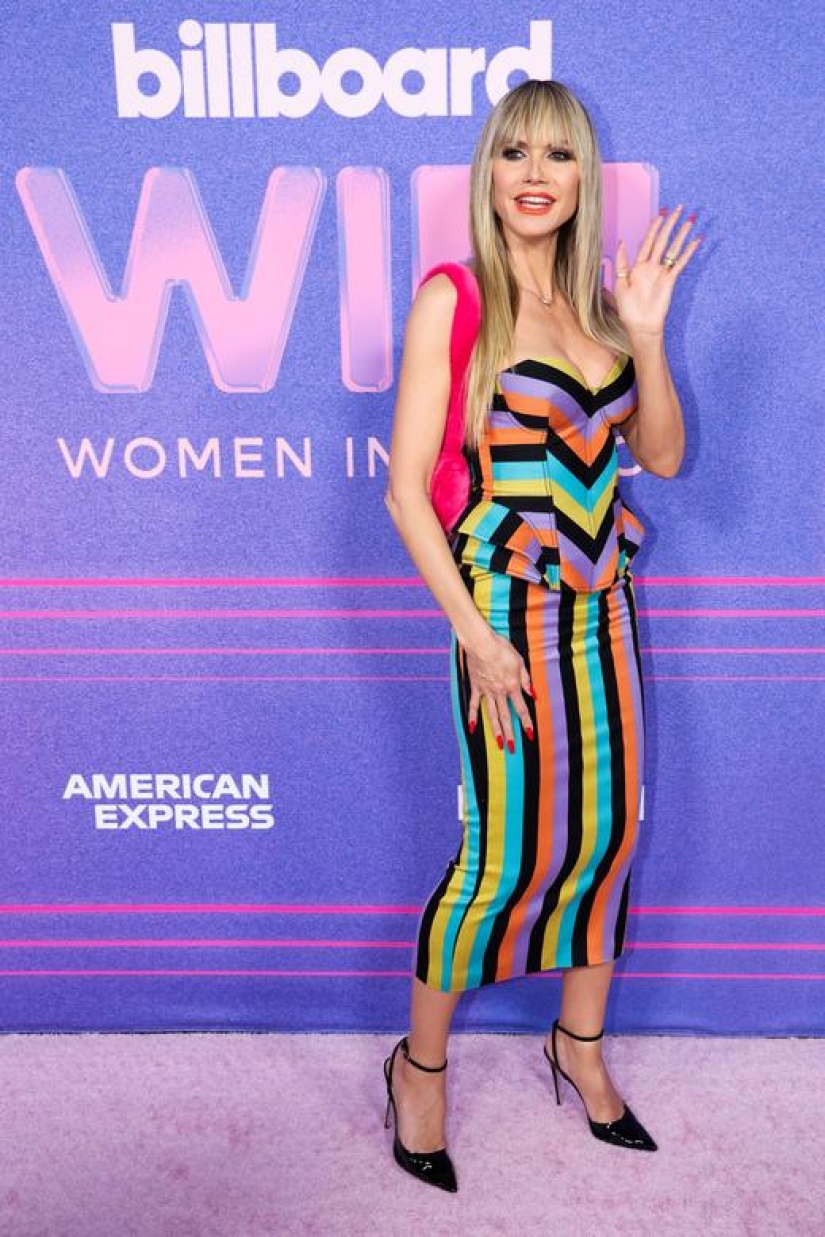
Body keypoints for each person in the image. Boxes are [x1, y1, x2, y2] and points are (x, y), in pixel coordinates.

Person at [382, 77, 700, 1193]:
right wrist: (474, 636)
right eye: (515, 152)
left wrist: (647, 337)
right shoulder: (455, 299)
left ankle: (580, 1048)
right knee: (499, 854)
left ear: (581, 178)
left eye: (557, 155)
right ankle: (419, 1068)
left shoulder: (603, 307)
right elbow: (406, 494)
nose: (534, 174)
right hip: (505, 615)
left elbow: (660, 456)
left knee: (606, 837)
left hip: (604, 611)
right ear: (490, 172)